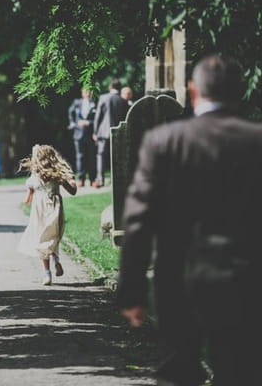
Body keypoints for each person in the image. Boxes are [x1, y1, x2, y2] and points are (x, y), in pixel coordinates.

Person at [117, 54, 262, 386]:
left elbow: (139, 219)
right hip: (247, 280)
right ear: (240, 92)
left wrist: (133, 291)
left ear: (193, 91)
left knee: (178, 372)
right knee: (242, 372)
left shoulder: (164, 141)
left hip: (180, 279)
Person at [17, 145, 77, 286]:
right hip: (55, 207)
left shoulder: (34, 176)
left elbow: (27, 199)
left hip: (39, 210)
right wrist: (72, 180)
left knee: (41, 238)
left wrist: (28, 196)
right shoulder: (57, 174)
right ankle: (56, 260)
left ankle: (47, 274)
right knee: (53, 236)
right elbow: (73, 191)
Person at [92, 79, 129, 187]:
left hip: (103, 132)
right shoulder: (123, 101)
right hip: (118, 132)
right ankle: (117, 181)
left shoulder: (103, 98)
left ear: (110, 87)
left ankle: (100, 180)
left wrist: (95, 131)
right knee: (117, 157)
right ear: (119, 88)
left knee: (101, 155)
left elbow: (98, 116)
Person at [67, 88, 96, 187]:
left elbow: (98, 118)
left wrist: (89, 123)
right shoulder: (76, 102)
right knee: (80, 157)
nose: (87, 94)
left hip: (91, 134)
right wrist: (74, 124)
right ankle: (81, 179)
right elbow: (70, 113)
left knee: (92, 157)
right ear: (82, 93)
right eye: (85, 92)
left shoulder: (95, 103)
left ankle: (92, 179)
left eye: (89, 91)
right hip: (78, 134)